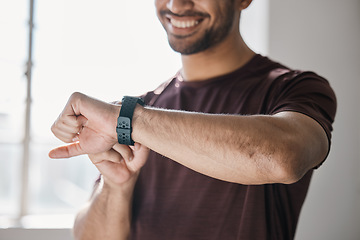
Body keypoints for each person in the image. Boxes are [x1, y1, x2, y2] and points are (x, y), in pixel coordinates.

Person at [49, 0, 337, 239]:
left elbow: (282, 159)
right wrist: (116, 185)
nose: (177, 4)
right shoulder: (143, 110)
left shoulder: (292, 88)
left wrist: (127, 118)